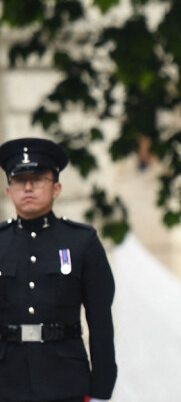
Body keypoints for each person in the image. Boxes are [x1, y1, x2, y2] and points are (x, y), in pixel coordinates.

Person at [0, 137, 117, 402]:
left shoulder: (82, 241)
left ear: (56, 188)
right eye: (19, 181)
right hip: (7, 381)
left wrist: (101, 392)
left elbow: (100, 322)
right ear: (9, 191)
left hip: (65, 381)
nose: (28, 187)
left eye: (39, 179)